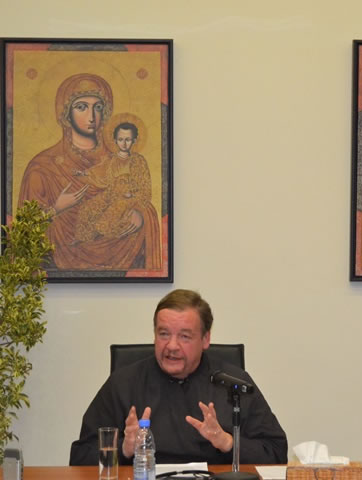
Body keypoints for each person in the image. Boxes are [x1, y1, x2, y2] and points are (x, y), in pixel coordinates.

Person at [69, 289, 288, 465]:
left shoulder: (233, 384)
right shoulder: (123, 383)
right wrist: (123, 450)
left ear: (205, 339)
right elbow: (80, 457)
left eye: (184, 336)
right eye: (164, 334)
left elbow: (277, 452)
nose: (172, 346)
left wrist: (227, 442)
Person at [17, 73, 161, 271]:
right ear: (65, 113)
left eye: (98, 107)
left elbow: (142, 194)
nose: (92, 116)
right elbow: (25, 230)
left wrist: (141, 213)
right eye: (81, 107)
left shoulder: (120, 160)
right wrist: (56, 209)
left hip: (123, 271)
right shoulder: (43, 167)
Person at [73, 121, 155, 242]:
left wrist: (131, 194)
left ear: (134, 140)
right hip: (110, 194)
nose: (124, 143)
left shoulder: (138, 160)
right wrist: (84, 173)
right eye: (121, 139)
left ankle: (102, 237)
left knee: (111, 214)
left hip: (128, 198)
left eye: (128, 139)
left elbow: (144, 185)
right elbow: (99, 170)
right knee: (88, 208)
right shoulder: (111, 159)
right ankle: (83, 239)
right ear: (115, 140)